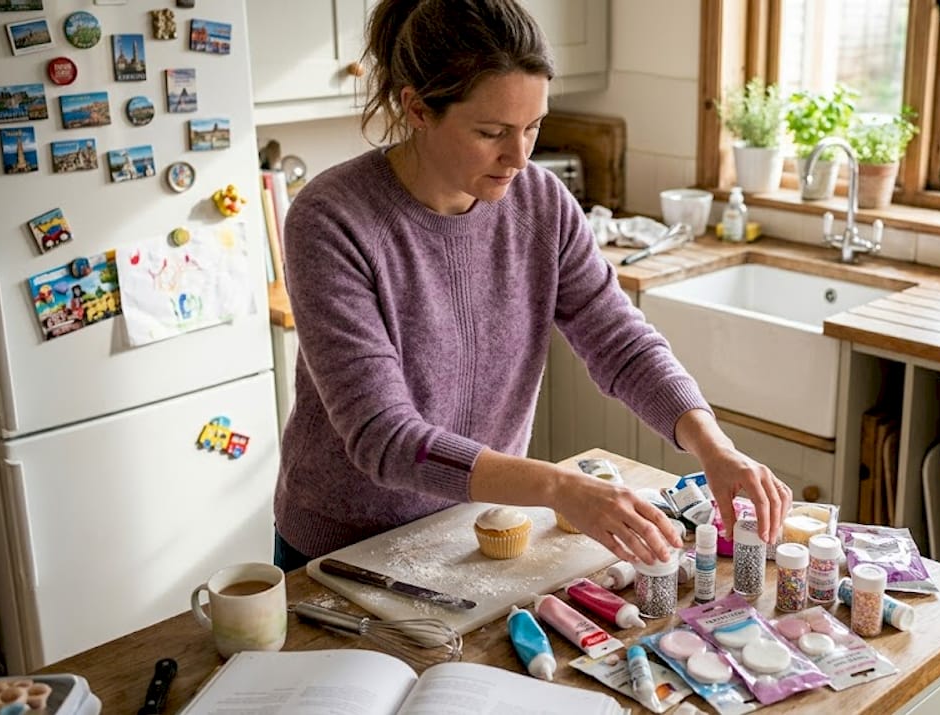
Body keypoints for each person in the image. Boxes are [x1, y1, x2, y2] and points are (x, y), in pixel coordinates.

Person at [273, 0, 792, 573]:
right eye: (492, 132)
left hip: (477, 526)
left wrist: (713, 448)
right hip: (342, 547)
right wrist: (560, 487)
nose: (519, 157)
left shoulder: (540, 203)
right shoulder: (331, 219)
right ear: (417, 109)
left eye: (533, 127)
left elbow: (620, 342)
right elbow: (384, 437)